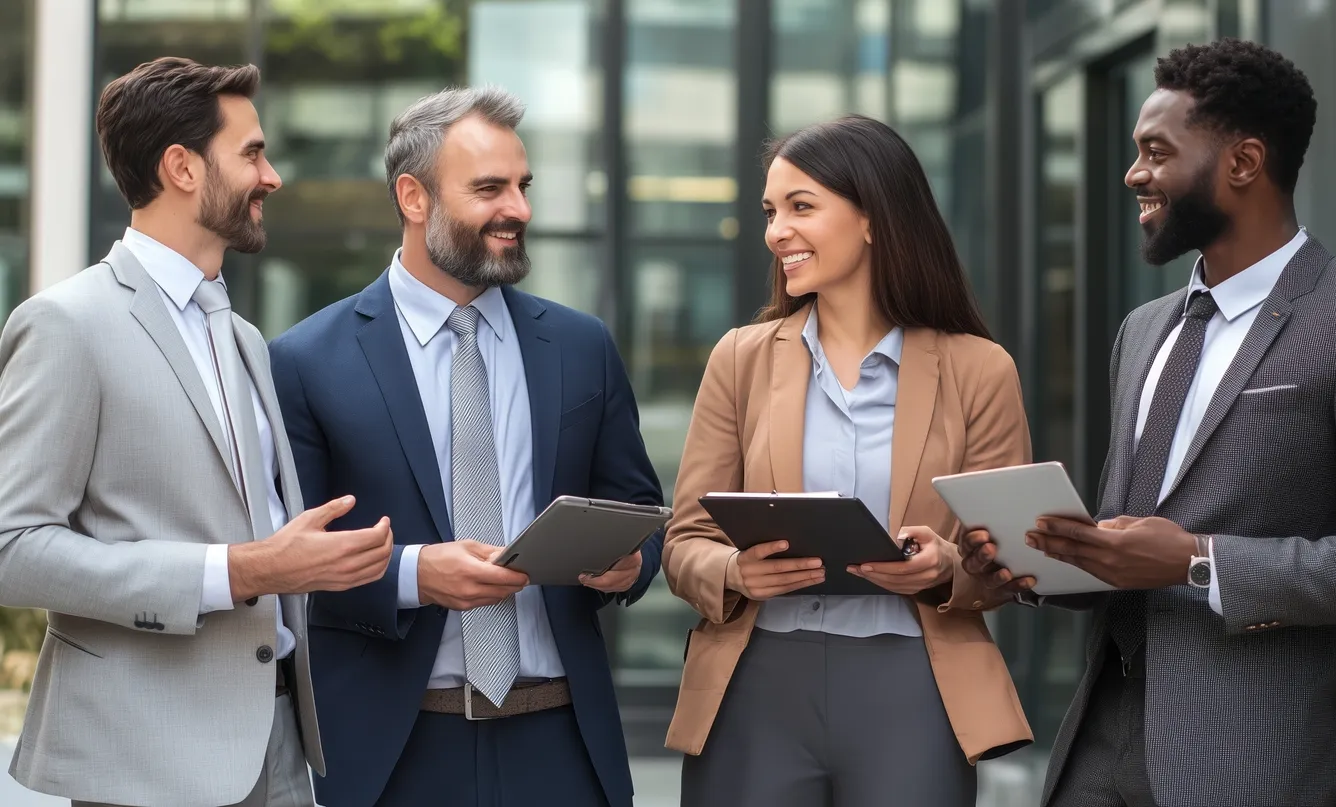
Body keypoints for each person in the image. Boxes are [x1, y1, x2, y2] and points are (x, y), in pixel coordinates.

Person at [964, 39, 1336, 807]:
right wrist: (1036, 562)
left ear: (1244, 162)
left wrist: (1199, 560)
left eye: (1155, 152)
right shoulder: (1144, 330)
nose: (1133, 175)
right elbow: (1129, 541)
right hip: (1096, 739)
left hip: (1245, 759)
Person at [0, 57, 394, 807]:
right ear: (181, 167)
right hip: (144, 757)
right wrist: (238, 570)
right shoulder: (66, 325)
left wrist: (303, 558)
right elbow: (11, 547)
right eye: (251, 153)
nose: (272, 176)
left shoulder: (241, 334)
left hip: (277, 746)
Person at [268, 86, 665, 807]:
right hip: (394, 752)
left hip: (563, 745)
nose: (519, 209)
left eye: (523, 185)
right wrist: (415, 575)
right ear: (413, 197)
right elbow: (287, 561)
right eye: (490, 188)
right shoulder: (304, 360)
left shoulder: (582, 346)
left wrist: (632, 560)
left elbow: (638, 505)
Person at [661, 114, 1033, 807]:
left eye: (801, 207)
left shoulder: (979, 369)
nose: (777, 232)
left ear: (874, 218)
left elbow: (1008, 558)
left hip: (914, 683)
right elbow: (684, 543)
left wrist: (943, 567)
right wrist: (735, 569)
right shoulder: (739, 358)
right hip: (757, 681)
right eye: (771, 212)